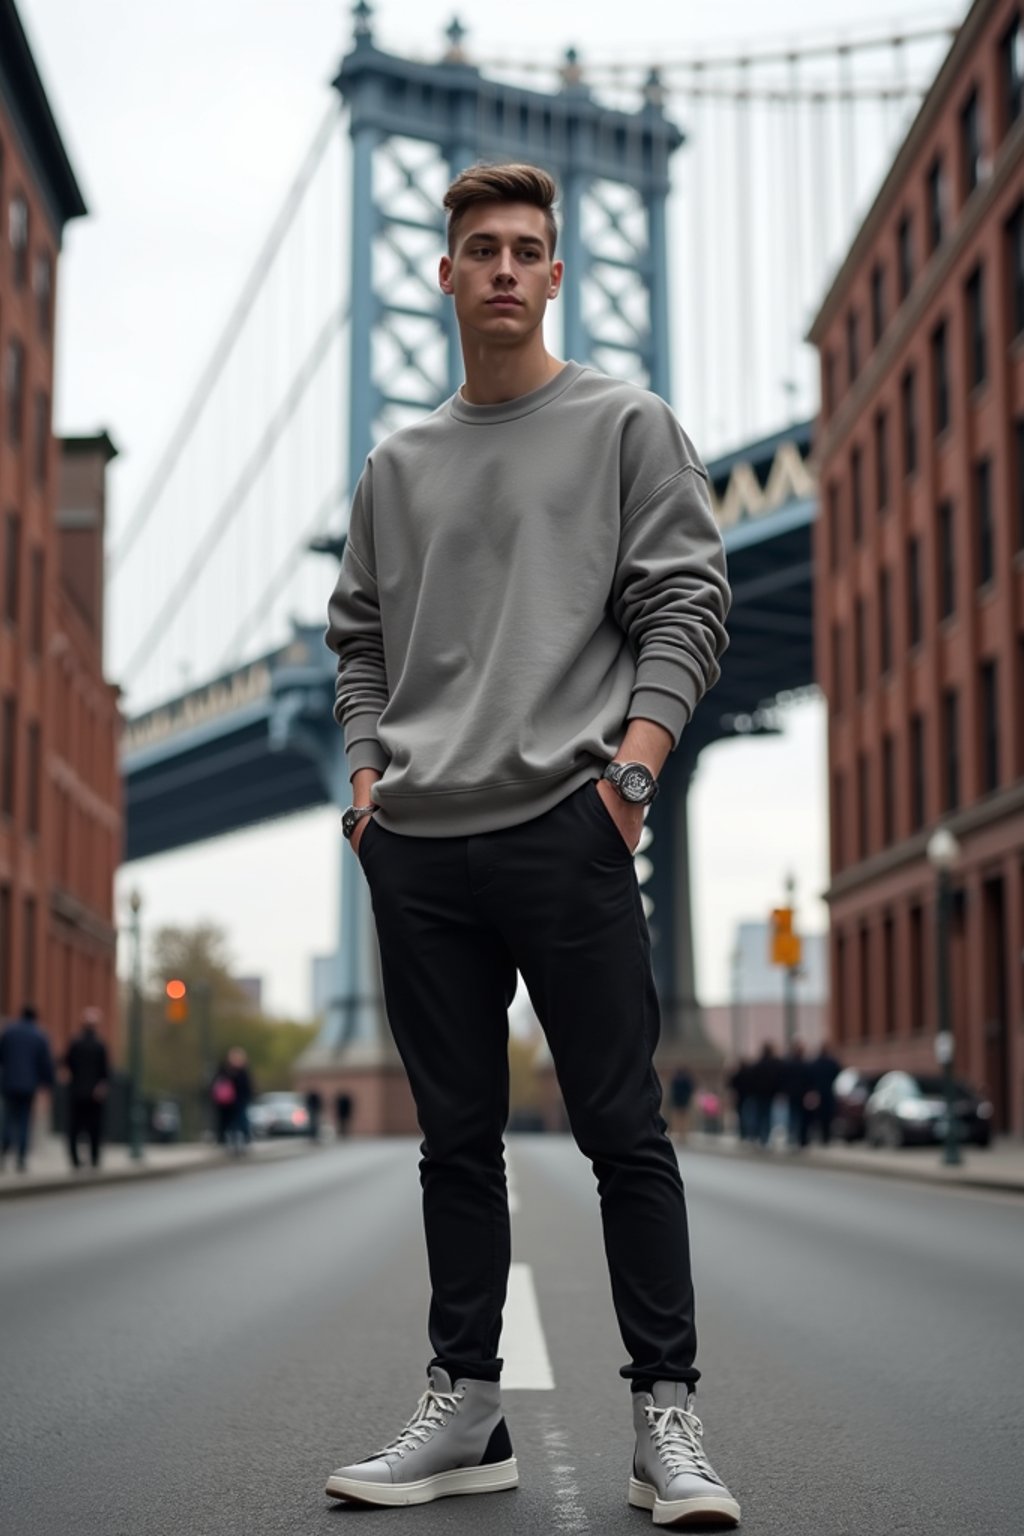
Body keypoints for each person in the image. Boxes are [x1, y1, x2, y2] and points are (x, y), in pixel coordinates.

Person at [323, 163, 738, 1527]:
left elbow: (687, 599)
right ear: (441, 275)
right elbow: (361, 643)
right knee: (455, 1145)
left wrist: (631, 778)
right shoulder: (395, 468)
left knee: (626, 1132)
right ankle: (468, 1411)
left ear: (558, 275)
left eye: (528, 251)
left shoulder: (626, 424)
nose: (503, 268)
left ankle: (665, 1427)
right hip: (422, 847)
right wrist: (370, 783)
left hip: (568, 828)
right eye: (480, 250)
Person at [0, 1005, 55, 1173]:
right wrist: (48, 1084)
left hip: (9, 1082)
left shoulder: (9, 1032)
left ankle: (5, 1147)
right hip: (29, 1085)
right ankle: (21, 1157)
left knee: (8, 1117)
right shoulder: (39, 1035)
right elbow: (45, 1063)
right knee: (24, 1120)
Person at [63, 1008, 110, 1170]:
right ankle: (94, 1158)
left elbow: (66, 1063)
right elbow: (105, 1071)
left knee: (75, 1127)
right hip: (92, 1093)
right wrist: (101, 1086)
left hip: (77, 1091)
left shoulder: (76, 1043)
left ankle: (76, 1159)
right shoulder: (99, 1045)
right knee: (93, 1128)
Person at [748, 1042, 783, 1148]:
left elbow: (752, 1080)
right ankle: (766, 1137)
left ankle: (759, 1136)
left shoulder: (758, 1065)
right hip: (769, 1093)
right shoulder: (775, 1064)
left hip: (759, 1094)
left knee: (759, 1115)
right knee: (768, 1115)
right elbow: (778, 1079)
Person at [808, 1042, 842, 1144]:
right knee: (827, 1116)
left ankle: (821, 1137)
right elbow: (838, 1071)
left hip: (819, 1093)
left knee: (819, 1116)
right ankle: (826, 1137)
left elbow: (810, 1077)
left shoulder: (815, 1063)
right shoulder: (831, 1063)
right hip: (828, 1092)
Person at [783, 1039, 811, 1150]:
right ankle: (800, 1139)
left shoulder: (789, 1064)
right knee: (801, 1118)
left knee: (793, 1117)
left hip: (792, 1095)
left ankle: (792, 1138)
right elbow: (809, 1081)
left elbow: (784, 1080)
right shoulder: (805, 1065)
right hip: (801, 1095)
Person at [668, 1066, 695, 1140]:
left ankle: (682, 1134)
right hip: (682, 1101)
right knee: (681, 1119)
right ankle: (682, 1134)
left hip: (680, 1101)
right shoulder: (683, 1080)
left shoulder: (677, 1080)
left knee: (680, 1119)